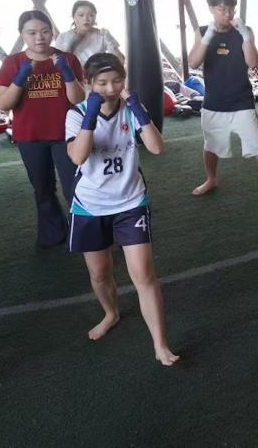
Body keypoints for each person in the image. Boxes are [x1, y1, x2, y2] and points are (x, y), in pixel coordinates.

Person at [64, 53, 179, 366]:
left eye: (117, 81)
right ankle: (111, 313)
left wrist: (139, 111)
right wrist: (90, 115)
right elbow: (77, 157)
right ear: (89, 83)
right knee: (100, 274)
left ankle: (160, 344)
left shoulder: (131, 109)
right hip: (90, 206)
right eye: (102, 83)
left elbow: (157, 148)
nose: (111, 88)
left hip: (131, 202)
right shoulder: (76, 113)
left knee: (144, 274)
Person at [187, 0, 258, 214]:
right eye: (222, 9)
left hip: (242, 101)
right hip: (214, 102)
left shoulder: (244, 30)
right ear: (211, 9)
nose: (227, 14)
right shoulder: (202, 31)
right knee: (211, 146)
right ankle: (211, 179)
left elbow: (252, 63)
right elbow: (193, 63)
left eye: (231, 9)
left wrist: (246, 36)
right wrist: (207, 37)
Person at [0, 10, 86, 248]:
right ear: (22, 34)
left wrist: (67, 73)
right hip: (30, 136)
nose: (39, 37)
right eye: (32, 32)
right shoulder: (13, 62)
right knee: (42, 189)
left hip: (66, 135)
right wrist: (20, 78)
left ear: (52, 32)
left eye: (45, 31)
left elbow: (78, 99)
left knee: (75, 186)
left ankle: (85, 231)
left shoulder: (68, 59)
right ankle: (53, 234)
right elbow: (4, 104)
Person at [54, 0, 124, 66]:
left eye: (91, 15)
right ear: (73, 17)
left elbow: (121, 61)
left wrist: (110, 42)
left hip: (95, 74)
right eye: (81, 15)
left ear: (95, 17)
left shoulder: (102, 35)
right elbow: (57, 65)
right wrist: (70, 45)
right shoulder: (63, 37)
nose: (86, 19)